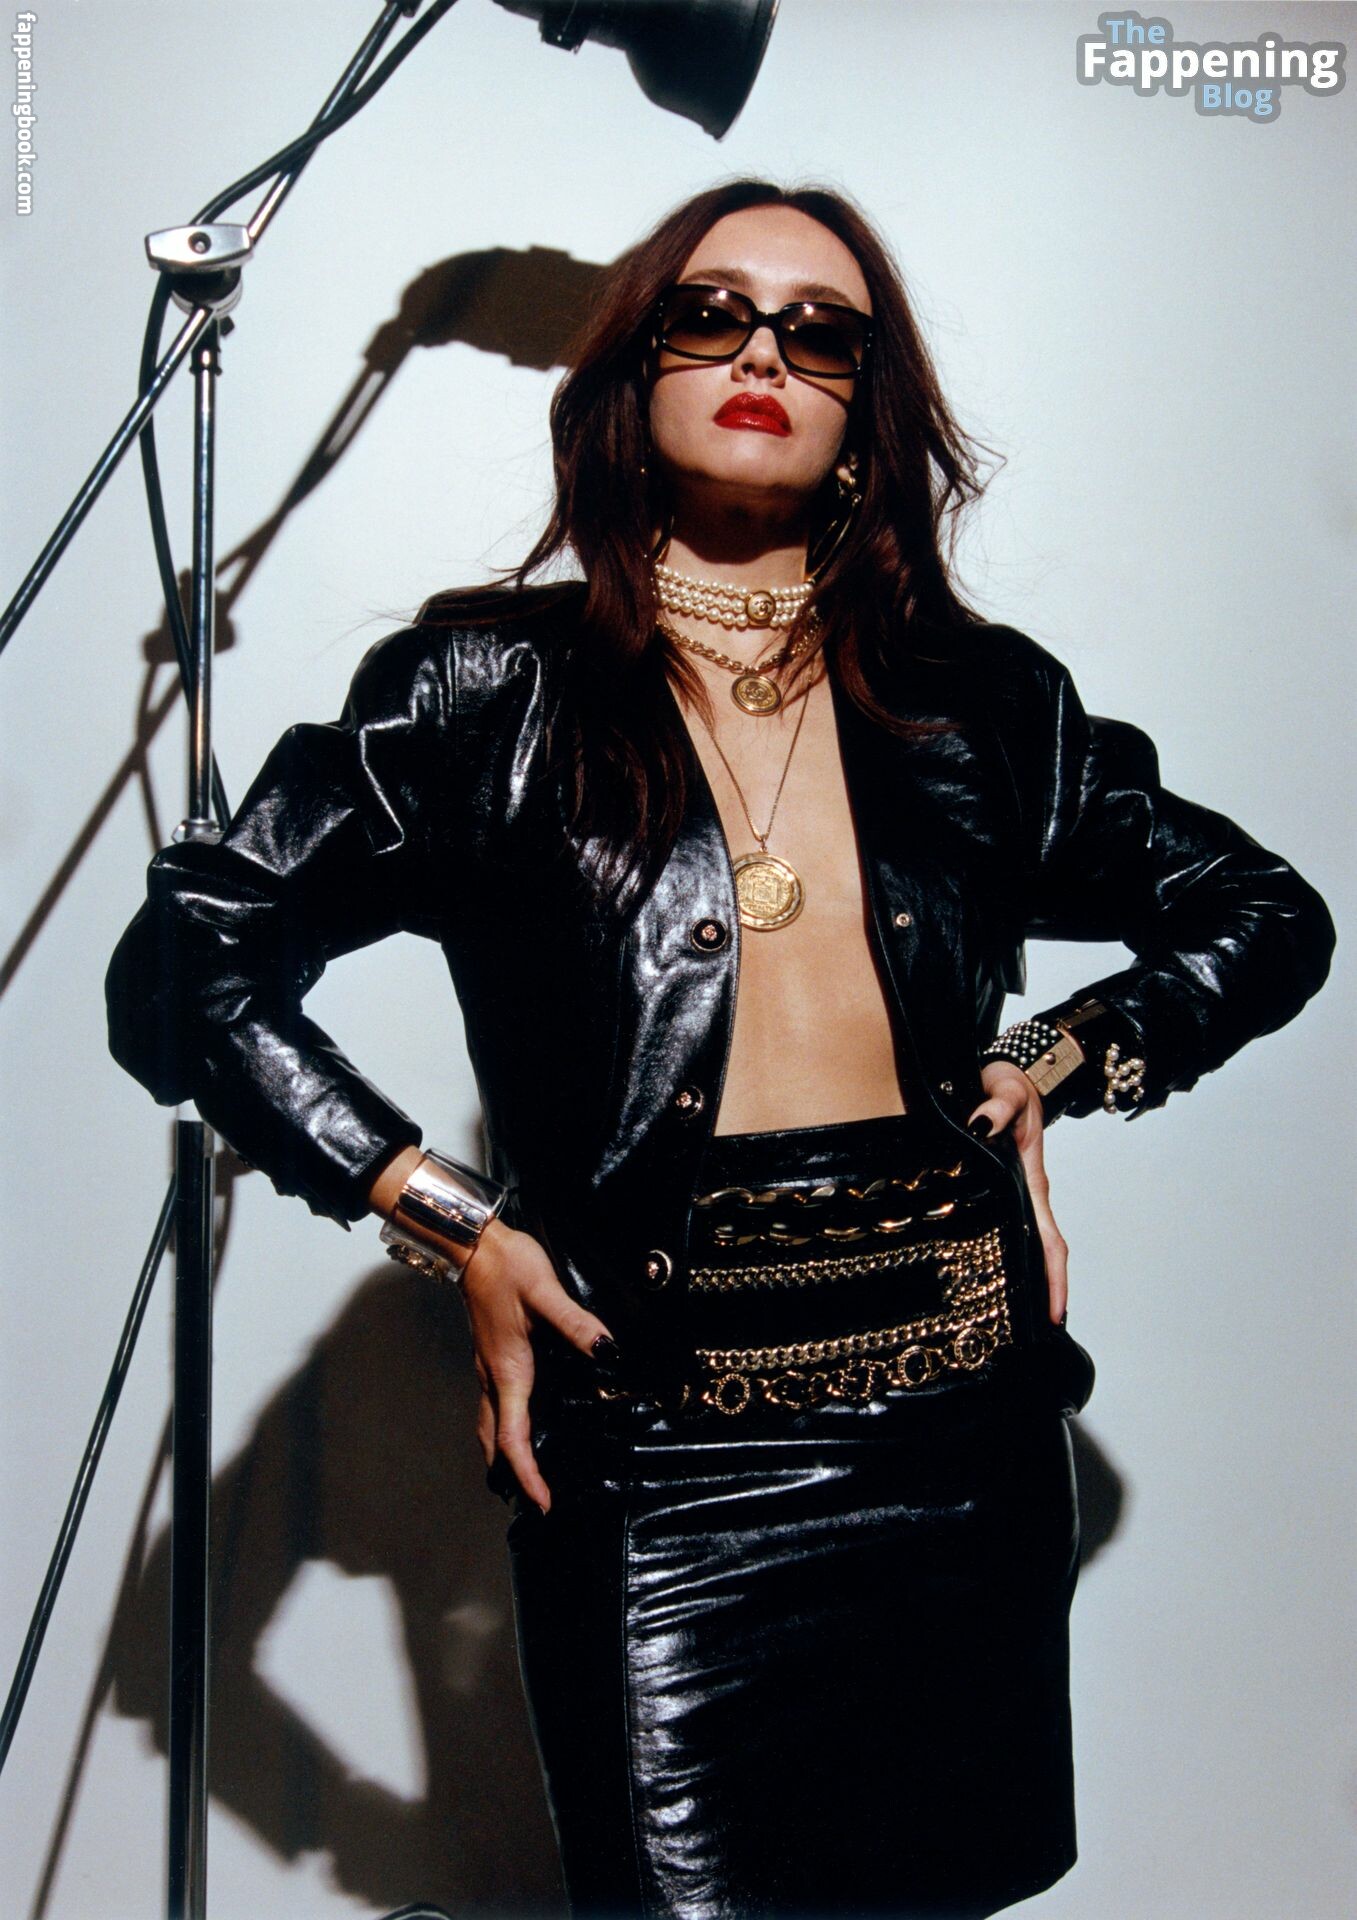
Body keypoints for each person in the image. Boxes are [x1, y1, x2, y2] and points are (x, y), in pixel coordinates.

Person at [106, 179, 1335, 1918]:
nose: (761, 352)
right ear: (633, 376)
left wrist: (1061, 1059)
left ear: (863, 412)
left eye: (819, 333)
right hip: (658, 1450)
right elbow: (188, 964)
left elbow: (1261, 913)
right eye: (709, 314)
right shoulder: (482, 692)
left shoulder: (978, 705)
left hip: (959, 1437)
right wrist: (451, 1218)